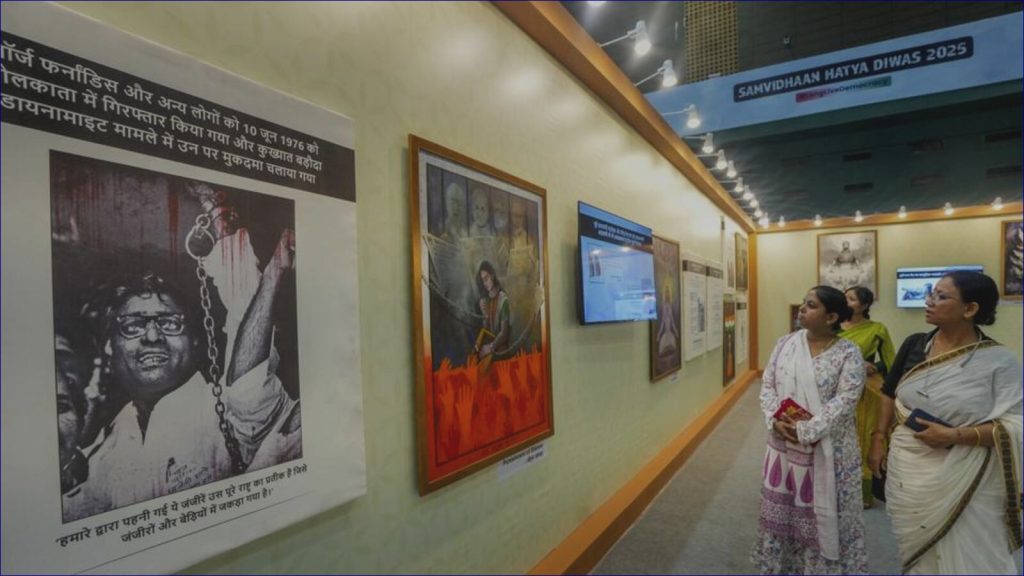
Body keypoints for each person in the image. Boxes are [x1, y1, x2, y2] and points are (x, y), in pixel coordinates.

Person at [70, 227, 300, 520]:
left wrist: (273, 274)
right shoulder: (102, 454)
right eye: (132, 326)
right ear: (109, 346)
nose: (152, 336)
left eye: (170, 323)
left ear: (194, 340)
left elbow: (248, 388)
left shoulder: (227, 412)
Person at [867, 271, 1022, 574]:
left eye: (941, 296)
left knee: (972, 552)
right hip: (908, 465)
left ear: (970, 309)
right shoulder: (915, 344)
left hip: (967, 475)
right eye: (931, 293)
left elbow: (1017, 424)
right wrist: (878, 438)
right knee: (917, 547)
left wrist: (956, 435)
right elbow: (888, 393)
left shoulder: (1000, 361)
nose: (929, 301)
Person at [752, 285, 867, 574]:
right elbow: (768, 385)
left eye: (811, 305)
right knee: (785, 513)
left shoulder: (848, 353)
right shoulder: (785, 344)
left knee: (825, 517)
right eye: (804, 302)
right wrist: (774, 419)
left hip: (828, 450)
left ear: (831, 317)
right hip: (783, 444)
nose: (802, 308)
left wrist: (806, 429)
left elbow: (846, 400)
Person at [838, 286, 895, 508]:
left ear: (863, 306)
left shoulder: (876, 329)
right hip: (834, 390)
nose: (845, 302)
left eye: (851, 299)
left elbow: (891, 362)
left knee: (862, 439)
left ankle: (863, 495)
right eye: (844, 298)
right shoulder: (832, 326)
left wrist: (874, 366)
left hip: (864, 392)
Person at [474, 261, 509, 361]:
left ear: (492, 276)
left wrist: (490, 347)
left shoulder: (504, 300)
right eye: (483, 281)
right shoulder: (485, 300)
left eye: (486, 278)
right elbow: (486, 329)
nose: (485, 283)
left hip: (500, 351)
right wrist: (484, 314)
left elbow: (504, 333)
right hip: (488, 352)